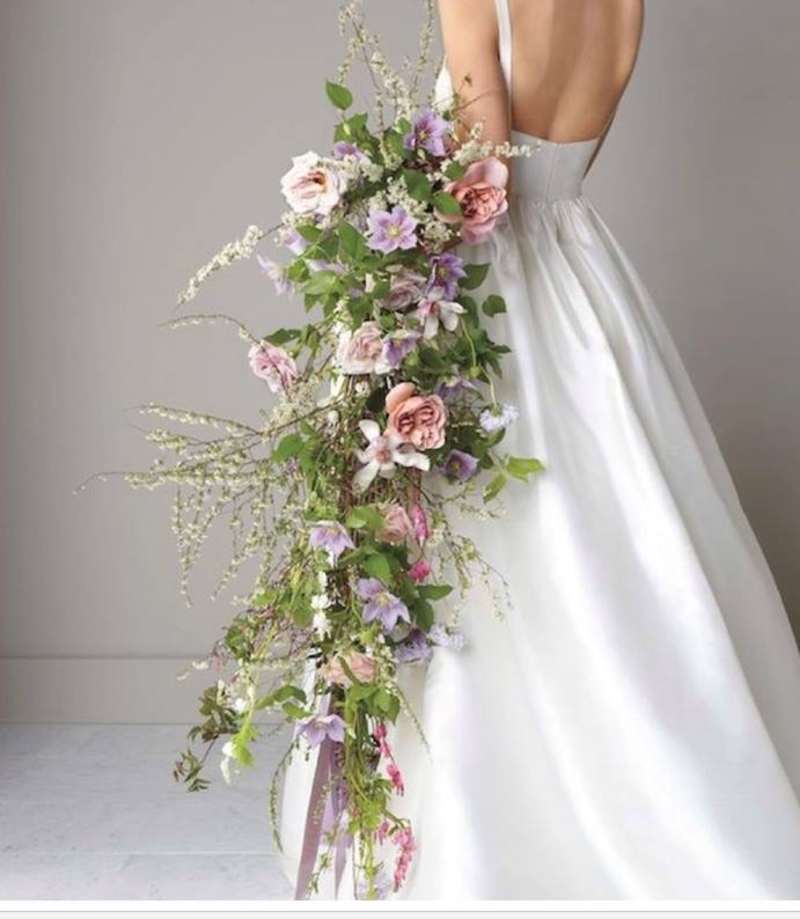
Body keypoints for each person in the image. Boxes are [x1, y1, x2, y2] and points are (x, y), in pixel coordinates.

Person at [281, 0, 800, 897]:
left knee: (492, 544)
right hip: (583, 267)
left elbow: (482, 167)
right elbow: (565, 159)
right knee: (614, 526)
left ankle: (507, 834)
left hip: (486, 285)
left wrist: (375, 241)